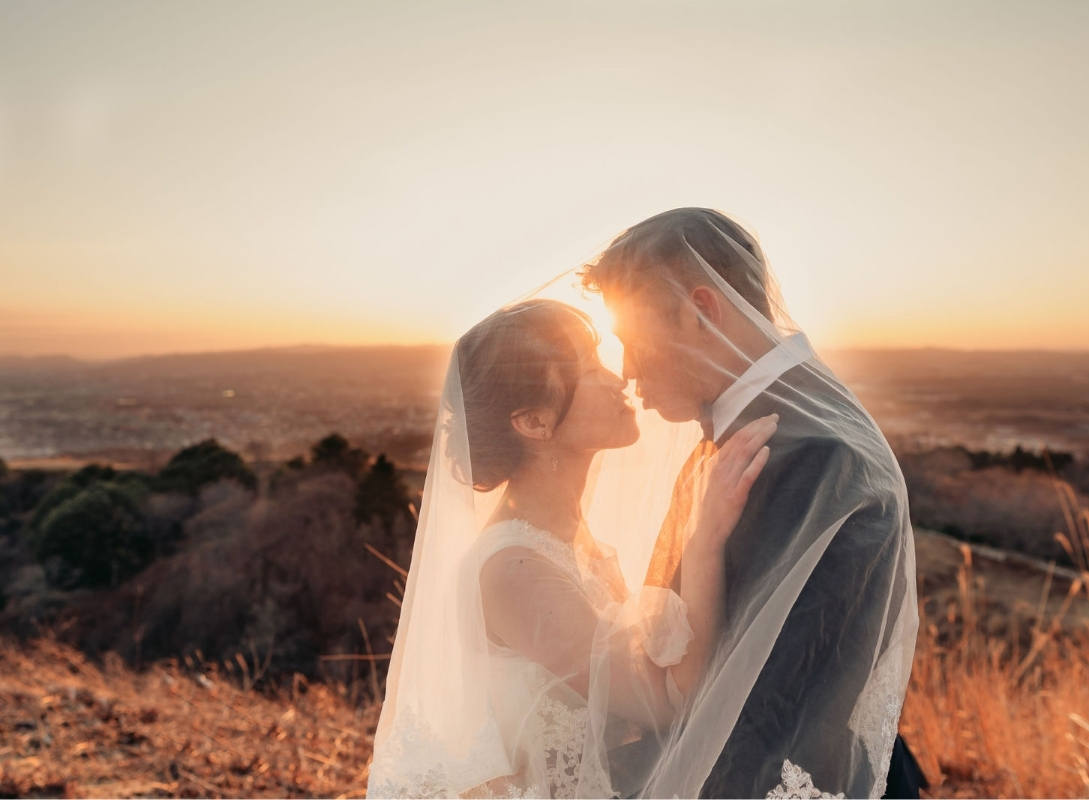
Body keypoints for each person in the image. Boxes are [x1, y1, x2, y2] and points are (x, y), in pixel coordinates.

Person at [366, 298, 777, 799]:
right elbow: (667, 705)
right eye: (589, 368)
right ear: (533, 423)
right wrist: (704, 540)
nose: (619, 378)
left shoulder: (574, 540)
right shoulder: (514, 570)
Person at [578, 207, 924, 799]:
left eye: (632, 341)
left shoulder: (807, 453)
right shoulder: (773, 425)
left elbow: (769, 708)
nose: (628, 371)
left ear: (702, 312)